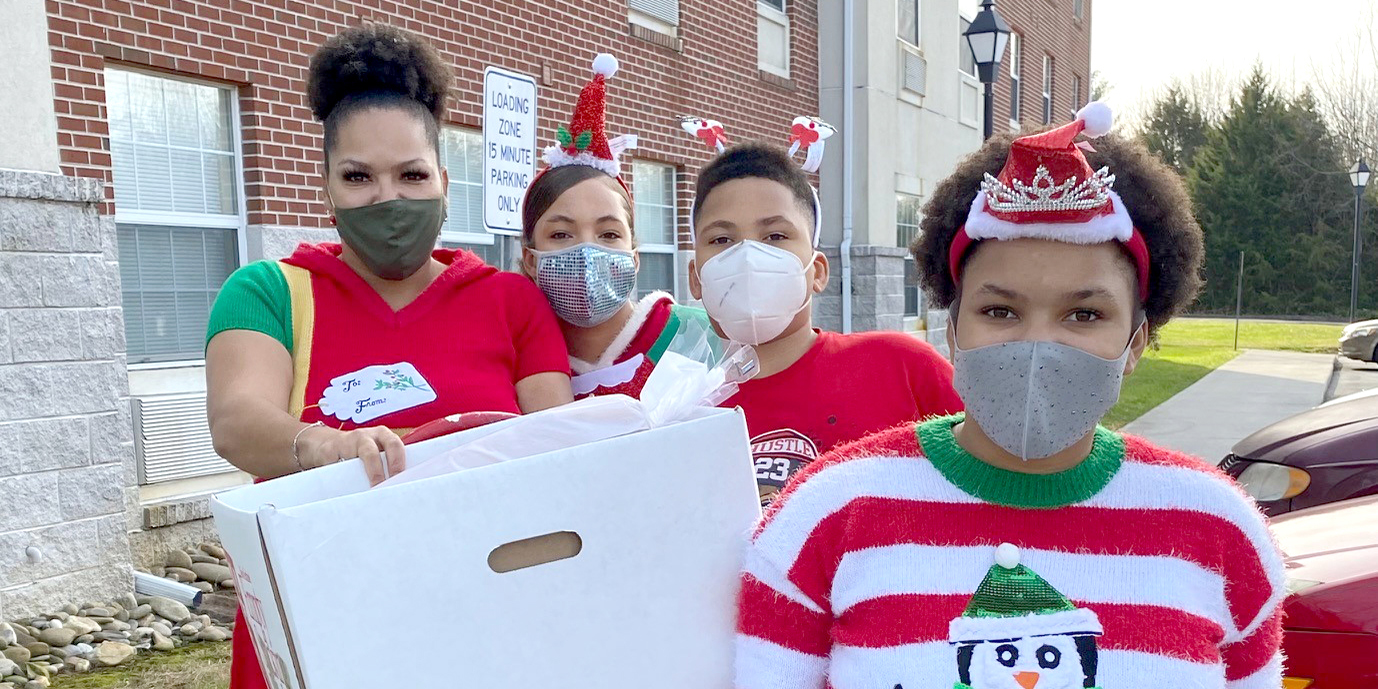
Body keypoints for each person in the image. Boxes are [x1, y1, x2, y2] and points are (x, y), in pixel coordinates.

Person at [733, 104, 1286, 689]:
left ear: (1136, 342)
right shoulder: (825, 514)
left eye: (1084, 313)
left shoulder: (1221, 531)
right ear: (952, 329)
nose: (1037, 344)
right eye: (999, 310)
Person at [205, 24, 572, 689]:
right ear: (325, 186)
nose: (388, 199)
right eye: (358, 177)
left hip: (483, 631)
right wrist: (327, 446)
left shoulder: (511, 302)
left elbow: (562, 452)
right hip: (319, 627)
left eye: (410, 174)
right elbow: (236, 420)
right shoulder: (267, 292)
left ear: (444, 180)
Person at [689, 142, 961, 503]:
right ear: (696, 277)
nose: (748, 257)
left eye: (775, 236)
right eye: (721, 239)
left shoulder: (903, 368)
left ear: (816, 271)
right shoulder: (687, 415)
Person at [519, 54, 712, 399]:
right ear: (531, 258)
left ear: (634, 256)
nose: (588, 251)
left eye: (609, 234)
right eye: (561, 234)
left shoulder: (697, 337)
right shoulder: (516, 361)